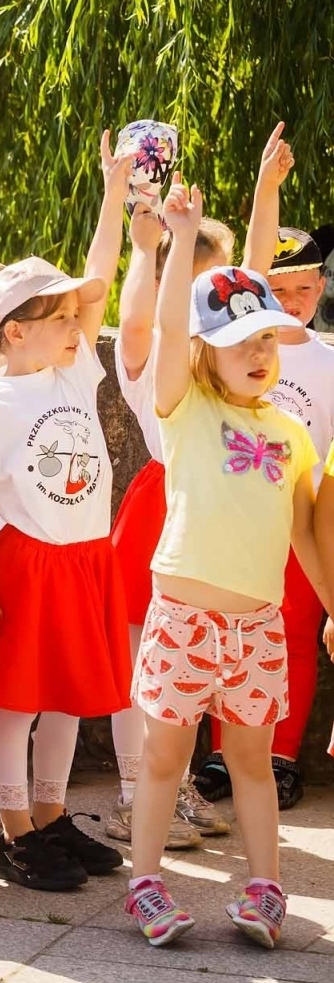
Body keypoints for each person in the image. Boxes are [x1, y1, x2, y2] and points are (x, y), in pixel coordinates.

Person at [127, 181, 331, 950]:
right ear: (204, 352)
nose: (258, 351)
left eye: (269, 339)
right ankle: (145, 883)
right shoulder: (182, 408)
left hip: (258, 627)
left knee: (251, 760)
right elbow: (170, 325)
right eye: (240, 339)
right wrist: (180, 241)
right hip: (181, 621)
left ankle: (266, 888)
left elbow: (309, 535)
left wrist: (333, 606)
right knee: (163, 760)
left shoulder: (291, 432)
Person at [0, 134, 134, 890]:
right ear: (13, 332)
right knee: (21, 705)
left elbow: (98, 284)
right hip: (27, 560)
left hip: (85, 555)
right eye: (58, 318)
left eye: (74, 318)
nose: (78, 324)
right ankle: (13, 829)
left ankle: (54, 812)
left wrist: (114, 194)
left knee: (69, 696)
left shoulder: (71, 373)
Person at [193, 124, 333, 811]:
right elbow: (247, 263)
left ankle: (278, 756)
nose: (297, 298)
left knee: (295, 637)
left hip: (298, 516)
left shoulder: (330, 362)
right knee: (224, 633)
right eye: (284, 285)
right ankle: (223, 753)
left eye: (309, 285)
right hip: (238, 516)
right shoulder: (239, 345)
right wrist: (264, 191)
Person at [108, 203, 239, 850]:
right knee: (141, 661)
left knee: (192, 666)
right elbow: (133, 322)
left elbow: (258, 275)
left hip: (212, 509)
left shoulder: (224, 360)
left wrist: (266, 194)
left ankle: (176, 784)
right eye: (193, 279)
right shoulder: (155, 354)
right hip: (161, 508)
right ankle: (137, 791)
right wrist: (143, 244)